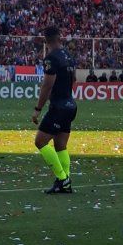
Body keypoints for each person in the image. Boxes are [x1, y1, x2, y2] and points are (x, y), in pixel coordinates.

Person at [31, 26, 77, 194]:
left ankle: (63, 179)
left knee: (40, 142)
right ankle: (65, 182)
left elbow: (47, 85)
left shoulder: (51, 58)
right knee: (60, 146)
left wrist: (38, 109)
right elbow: (74, 79)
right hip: (70, 105)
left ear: (46, 40)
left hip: (58, 107)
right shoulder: (68, 56)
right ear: (59, 37)